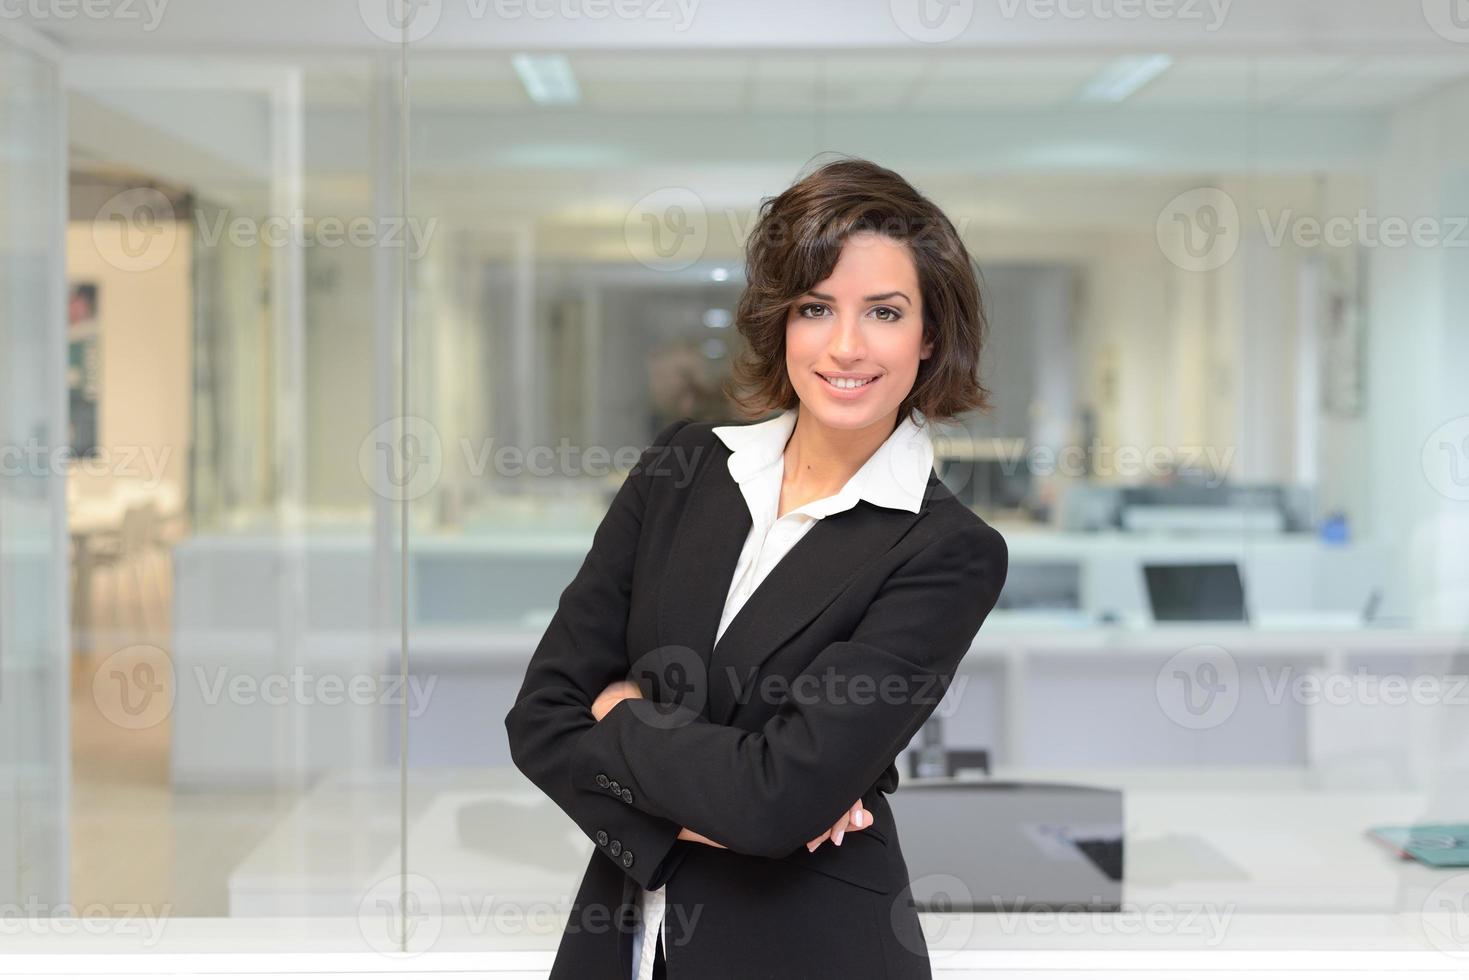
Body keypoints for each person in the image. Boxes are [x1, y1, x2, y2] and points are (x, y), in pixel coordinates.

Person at [504, 155, 1010, 979]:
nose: (845, 346)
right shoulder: (683, 468)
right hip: (621, 939)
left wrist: (617, 715)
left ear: (930, 336)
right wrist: (724, 799)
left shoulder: (944, 550)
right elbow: (539, 717)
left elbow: (775, 803)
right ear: (780, 322)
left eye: (883, 311)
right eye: (816, 308)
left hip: (809, 949)